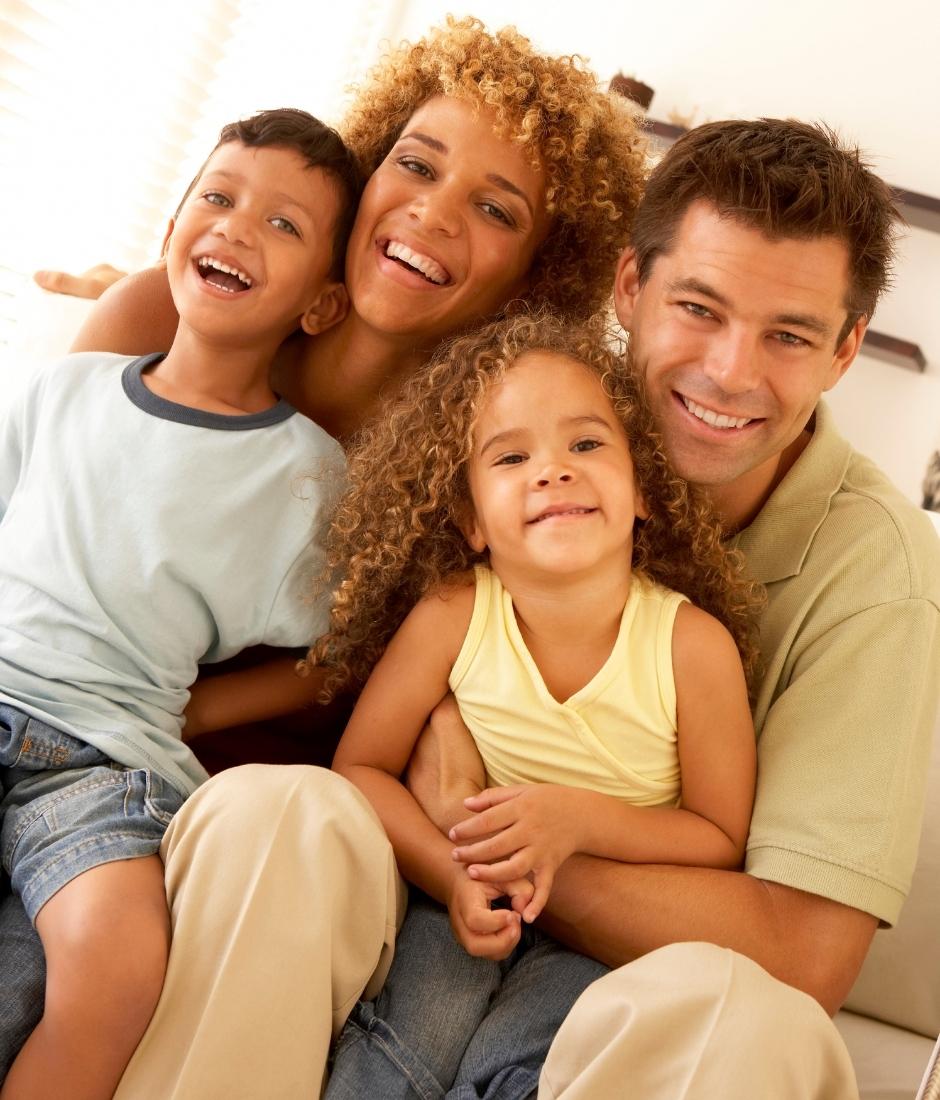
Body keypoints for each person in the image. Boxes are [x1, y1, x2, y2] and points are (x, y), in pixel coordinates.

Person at [0, 18, 649, 1097]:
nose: (433, 213)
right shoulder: (165, 314)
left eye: (496, 209)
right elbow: (52, 533)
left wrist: (163, 717)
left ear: (538, 275)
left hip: (215, 820)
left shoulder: (482, 473)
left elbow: (380, 680)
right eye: (416, 165)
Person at [412, 118, 940, 1098]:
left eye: (789, 335)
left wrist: (493, 838)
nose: (731, 371)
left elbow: (802, 956)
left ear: (845, 351)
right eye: (699, 308)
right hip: (424, 922)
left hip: (629, 993)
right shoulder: (521, 419)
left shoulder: (878, 570)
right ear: (629, 288)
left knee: (754, 1022)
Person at [0, 107, 359, 1099]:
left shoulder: (308, 476)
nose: (237, 228)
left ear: (322, 304)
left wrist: (197, 714)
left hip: (104, 764)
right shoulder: (63, 391)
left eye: (283, 224)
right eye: (218, 198)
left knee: (117, 972)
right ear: (171, 232)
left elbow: (340, 653)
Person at [312, 309, 760, 1098]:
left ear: (642, 488)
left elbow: (720, 838)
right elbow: (361, 768)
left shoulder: (692, 647)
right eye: (512, 456)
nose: (552, 471)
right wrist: (451, 877)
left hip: (605, 937)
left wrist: (577, 822)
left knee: (523, 1071)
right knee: (398, 1053)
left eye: (586, 445)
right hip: (461, 899)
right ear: (471, 520)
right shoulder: (453, 615)